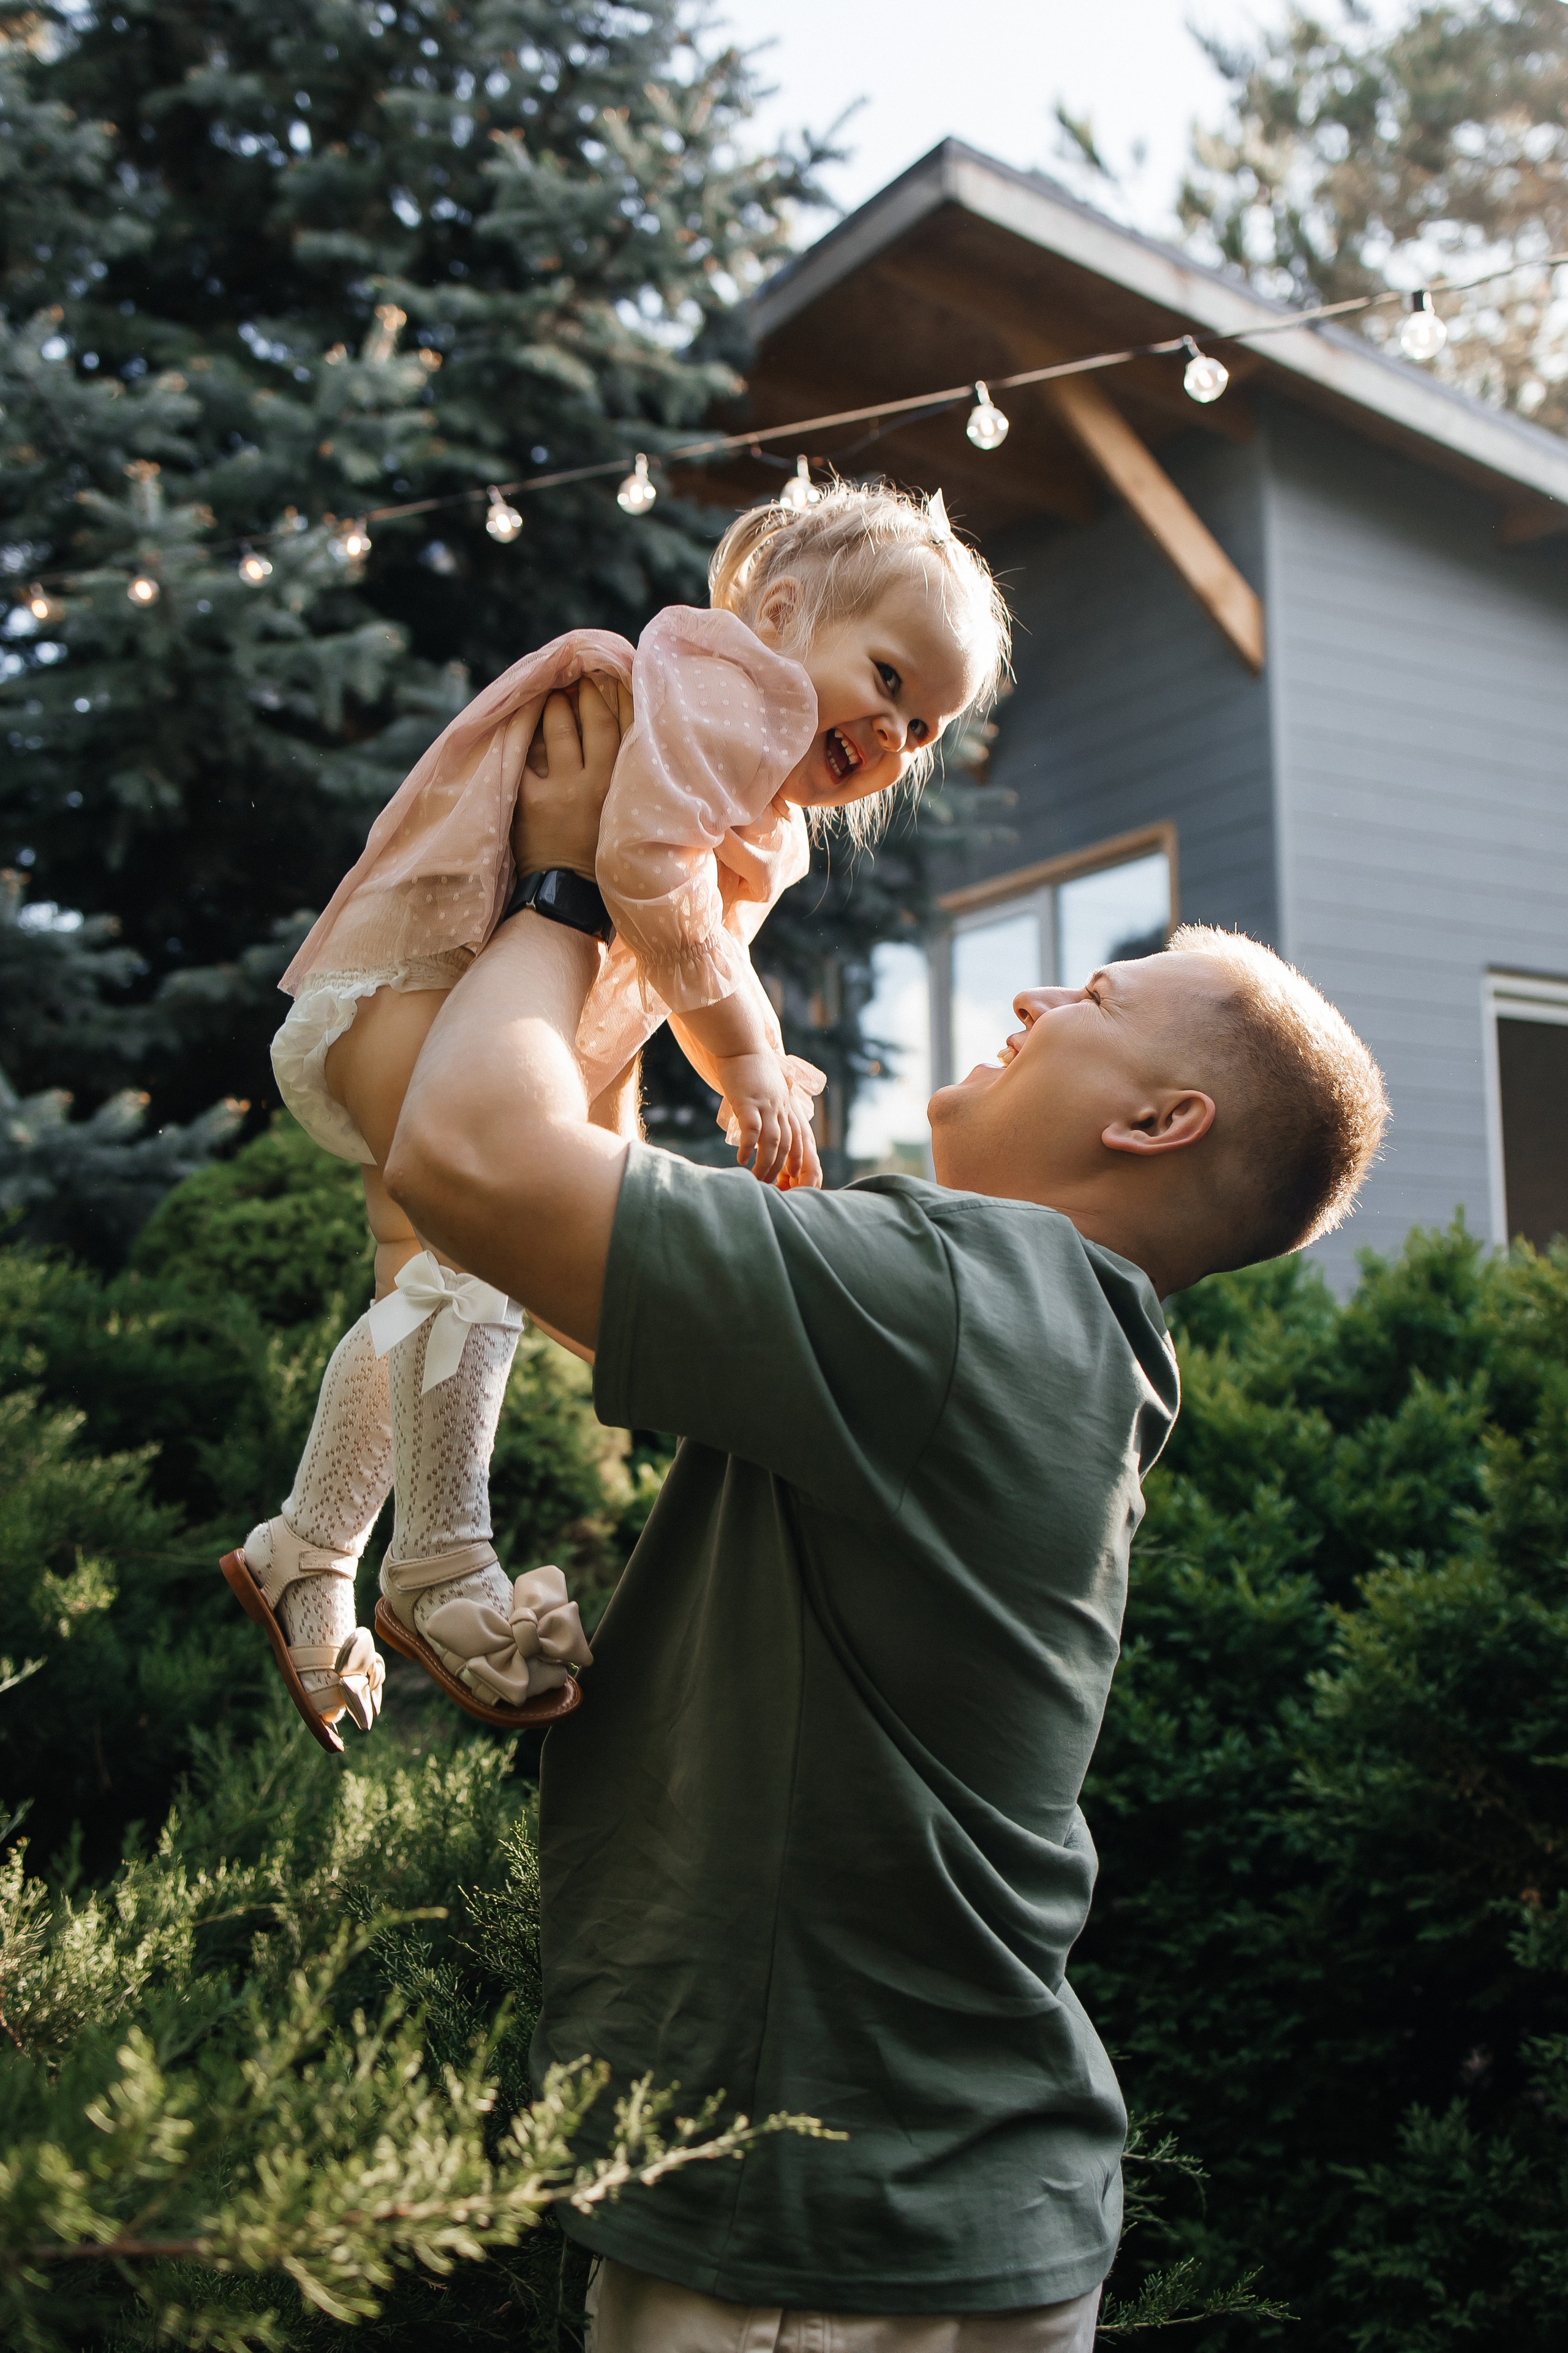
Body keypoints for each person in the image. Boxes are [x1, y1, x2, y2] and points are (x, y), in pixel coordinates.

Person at [380, 716, 1389, 2347]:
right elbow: (584, 1232)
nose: (1032, 998)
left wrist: (569, 884)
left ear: (1157, 1123)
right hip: (916, 2203)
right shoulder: (1048, 1333)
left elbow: (471, 1163)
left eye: (1095, 999)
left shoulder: (966, 1299)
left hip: (815, 2231)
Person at [221, 482, 1007, 1750]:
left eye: (925, 724)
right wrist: (747, 1057)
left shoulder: (746, 769)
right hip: (438, 963)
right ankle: (438, 1561)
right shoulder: (721, 689)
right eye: (887, 678)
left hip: (460, 987)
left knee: (417, 1288)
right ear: (780, 611)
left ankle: (308, 1547)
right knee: (469, 1254)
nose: (899, 733)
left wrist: (736, 1061)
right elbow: (636, 867)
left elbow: (654, 964)